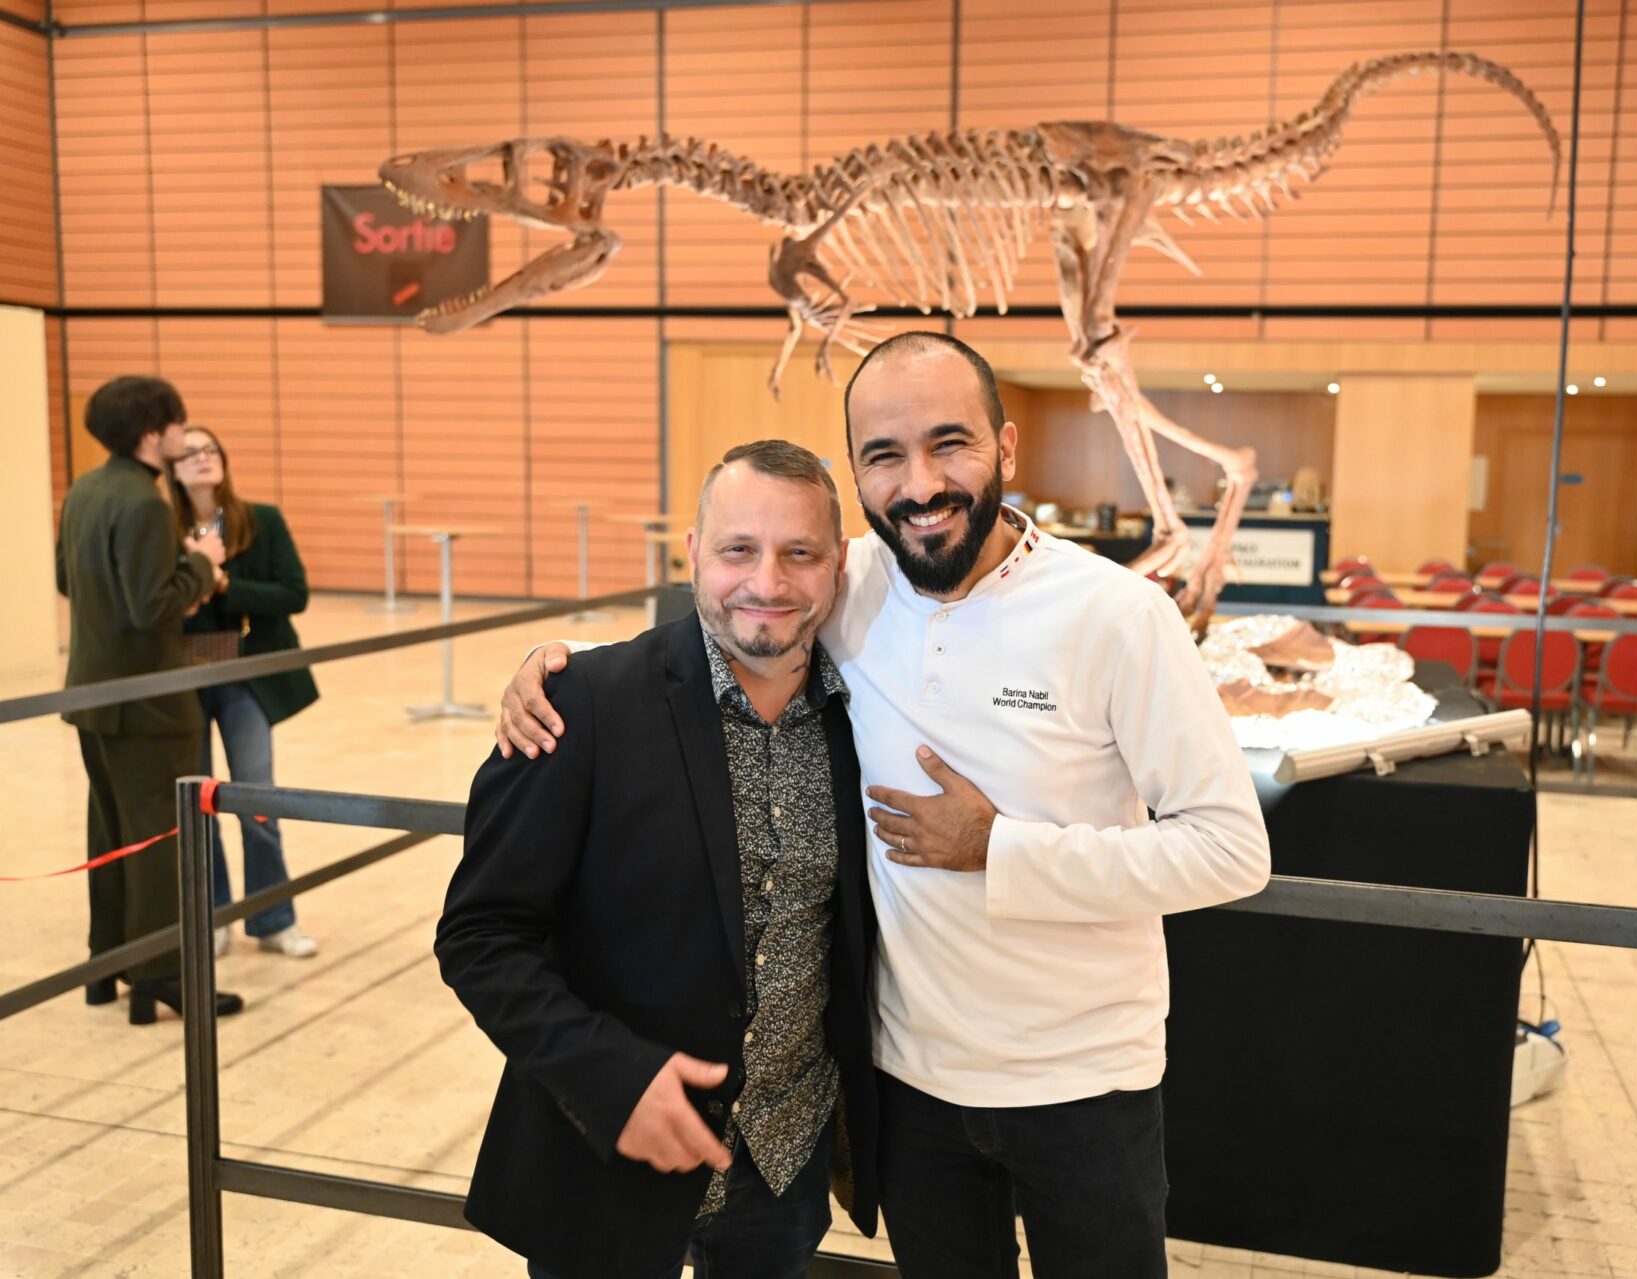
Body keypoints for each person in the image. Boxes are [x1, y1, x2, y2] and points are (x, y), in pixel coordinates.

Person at [499, 333, 1270, 1278]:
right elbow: (742, 597)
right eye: (884, 455)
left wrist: (1001, 847)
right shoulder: (852, 578)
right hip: (907, 1087)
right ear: (858, 473)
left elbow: (1232, 849)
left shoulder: (1118, 615)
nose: (920, 484)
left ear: (1008, 448)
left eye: (951, 444)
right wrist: (558, 670)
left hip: (1083, 1081)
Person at [439, 440, 880, 1279]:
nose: (768, 583)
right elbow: (481, 934)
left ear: (839, 563)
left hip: (782, 1171)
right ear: (692, 553)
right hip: (603, 1159)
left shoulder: (866, 718)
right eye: (737, 549)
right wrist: (610, 1078)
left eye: (800, 553)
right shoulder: (581, 703)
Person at [57, 376, 245, 1026]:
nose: (181, 432)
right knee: (158, 841)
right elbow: (153, 607)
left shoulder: (86, 488)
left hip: (93, 692)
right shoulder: (143, 502)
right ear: (150, 433)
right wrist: (201, 562)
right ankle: (161, 976)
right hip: (147, 701)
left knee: (110, 834)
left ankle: (106, 965)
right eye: (174, 423)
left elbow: (66, 578)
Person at [171, 424, 321, 960]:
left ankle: (274, 917)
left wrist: (223, 582)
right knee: (197, 800)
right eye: (188, 453)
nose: (202, 459)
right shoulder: (161, 525)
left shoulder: (260, 520)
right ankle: (213, 917)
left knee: (258, 794)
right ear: (170, 466)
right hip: (183, 677)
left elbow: (294, 593)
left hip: (246, 674)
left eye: (210, 450)